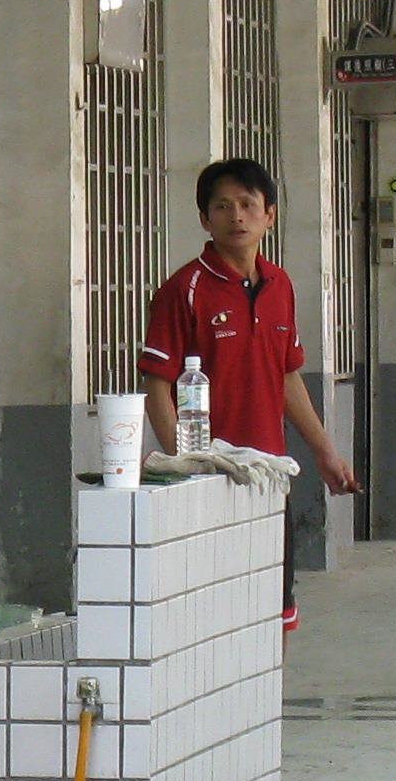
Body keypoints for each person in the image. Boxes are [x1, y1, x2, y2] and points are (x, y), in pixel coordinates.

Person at [141, 157, 361, 632]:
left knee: (275, 609)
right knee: (211, 614)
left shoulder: (281, 285)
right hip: (210, 478)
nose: (236, 216)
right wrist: (186, 466)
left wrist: (325, 452)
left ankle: (273, 685)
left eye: (247, 204)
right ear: (205, 219)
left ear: (269, 215)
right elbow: (158, 385)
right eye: (222, 207)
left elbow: (287, 377)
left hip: (268, 474)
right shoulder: (184, 289)